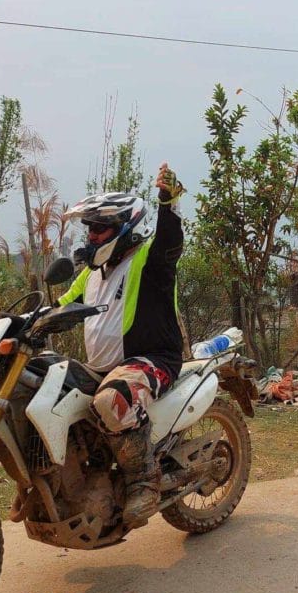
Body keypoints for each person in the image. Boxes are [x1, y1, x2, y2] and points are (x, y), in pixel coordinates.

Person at [59, 163, 185, 528]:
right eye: (89, 228)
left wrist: (168, 201)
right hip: (101, 367)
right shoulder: (91, 273)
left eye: (100, 229)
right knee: (46, 384)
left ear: (124, 228)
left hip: (152, 360)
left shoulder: (149, 260)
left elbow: (170, 243)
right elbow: (63, 306)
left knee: (112, 399)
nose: (92, 236)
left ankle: (143, 479)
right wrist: (19, 322)